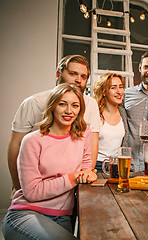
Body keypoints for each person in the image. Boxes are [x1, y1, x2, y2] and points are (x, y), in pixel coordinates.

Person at [2, 83, 97, 239]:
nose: (69, 111)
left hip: (63, 216)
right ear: (52, 106)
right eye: (62, 104)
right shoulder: (32, 140)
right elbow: (32, 192)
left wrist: (85, 174)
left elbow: (86, 168)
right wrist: (73, 177)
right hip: (26, 214)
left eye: (75, 105)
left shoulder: (83, 133)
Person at [8, 55, 100, 191]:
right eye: (72, 74)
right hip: (35, 183)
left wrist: (84, 178)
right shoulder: (33, 103)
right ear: (58, 74)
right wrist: (19, 188)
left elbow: (91, 147)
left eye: (83, 76)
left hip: (72, 184)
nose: (78, 80)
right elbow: (16, 146)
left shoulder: (91, 104)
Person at [93, 73, 128, 172]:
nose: (119, 91)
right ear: (103, 91)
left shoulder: (123, 113)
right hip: (97, 166)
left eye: (121, 87)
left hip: (117, 166)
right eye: (113, 88)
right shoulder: (95, 113)